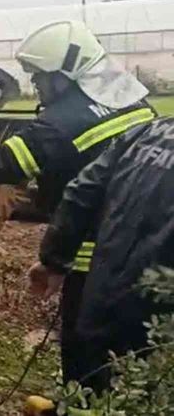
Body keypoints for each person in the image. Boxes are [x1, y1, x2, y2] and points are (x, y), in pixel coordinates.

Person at [0, 20, 155, 386]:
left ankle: (82, 398)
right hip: (143, 238)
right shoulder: (131, 102)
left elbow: (5, 164)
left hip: (92, 250)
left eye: (39, 76)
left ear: (64, 74)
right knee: (135, 338)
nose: (35, 85)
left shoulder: (61, 123)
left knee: (82, 338)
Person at [30, 116, 174, 393]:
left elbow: (81, 193)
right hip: (160, 318)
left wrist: (54, 261)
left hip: (100, 296)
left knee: (89, 387)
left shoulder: (146, 131)